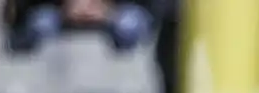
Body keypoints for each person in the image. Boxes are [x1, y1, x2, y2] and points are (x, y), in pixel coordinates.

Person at [9, 0, 154, 51]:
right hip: (61, 14)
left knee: (128, 24)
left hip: (115, 13)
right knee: (41, 23)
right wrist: (68, 9)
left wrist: (106, 11)